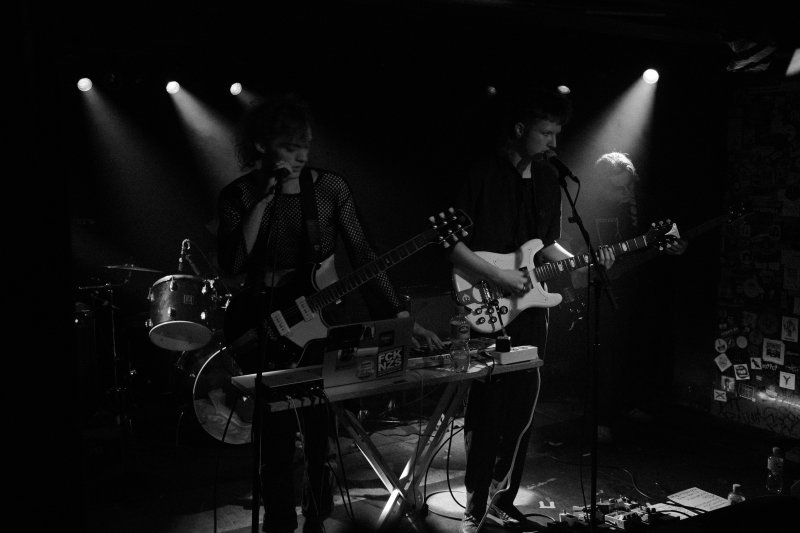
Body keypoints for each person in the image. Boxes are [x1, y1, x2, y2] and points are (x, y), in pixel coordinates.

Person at [216, 93, 442, 533]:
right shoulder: (238, 195)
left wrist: (400, 315)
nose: (301, 156)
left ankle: (317, 515)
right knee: (275, 439)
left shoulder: (329, 189)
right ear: (262, 146)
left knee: (321, 432)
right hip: (260, 322)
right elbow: (233, 264)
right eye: (289, 147)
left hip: (317, 326)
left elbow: (364, 253)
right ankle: (279, 522)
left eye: (305, 145)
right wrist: (262, 201)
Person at [448, 86, 616, 533]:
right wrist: (498, 276)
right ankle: (475, 503)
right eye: (546, 132)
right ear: (520, 128)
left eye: (557, 133)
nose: (554, 142)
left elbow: (545, 246)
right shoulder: (481, 173)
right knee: (488, 406)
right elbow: (450, 245)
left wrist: (584, 260)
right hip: (484, 296)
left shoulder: (546, 179)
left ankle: (502, 498)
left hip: (531, 305)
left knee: (522, 407)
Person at [559, 151, 687, 444]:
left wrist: (679, 244)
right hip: (598, 284)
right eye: (619, 188)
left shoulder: (640, 202)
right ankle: (600, 418)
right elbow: (566, 245)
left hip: (638, 282)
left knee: (639, 342)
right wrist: (582, 260)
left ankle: (630, 403)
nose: (627, 191)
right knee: (605, 351)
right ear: (601, 186)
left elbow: (668, 232)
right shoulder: (585, 206)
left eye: (630, 184)